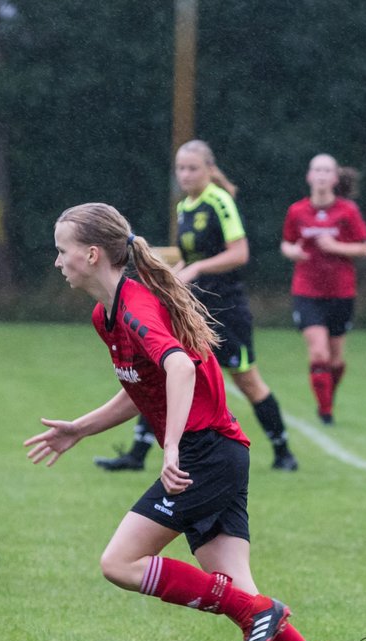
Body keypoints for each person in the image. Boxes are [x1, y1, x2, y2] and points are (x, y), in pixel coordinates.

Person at [26, 203, 360, 641]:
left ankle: (258, 615)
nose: (57, 261)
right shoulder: (106, 314)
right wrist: (80, 428)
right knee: (240, 593)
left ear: (91, 254)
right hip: (221, 453)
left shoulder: (135, 304)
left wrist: (173, 447)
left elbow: (178, 368)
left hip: (205, 454)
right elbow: (143, 390)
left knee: (119, 564)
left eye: (61, 250)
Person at [94, 140, 299, 473]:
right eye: (180, 168)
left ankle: (283, 451)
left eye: (192, 168)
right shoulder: (185, 207)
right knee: (160, 372)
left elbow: (239, 253)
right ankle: (137, 453)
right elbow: (188, 261)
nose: (185, 175)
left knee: (246, 380)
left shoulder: (219, 201)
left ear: (209, 169)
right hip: (193, 309)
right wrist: (167, 282)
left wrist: (199, 269)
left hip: (226, 309)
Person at [281, 154, 366, 425]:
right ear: (309, 176)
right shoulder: (297, 211)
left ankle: (327, 396)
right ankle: (326, 410)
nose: (320, 175)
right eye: (316, 170)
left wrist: (336, 247)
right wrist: (293, 251)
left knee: (334, 358)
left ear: (334, 178)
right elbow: (285, 244)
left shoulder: (348, 211)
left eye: (326, 171)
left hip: (341, 292)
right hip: (307, 291)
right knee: (318, 353)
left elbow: (365, 248)